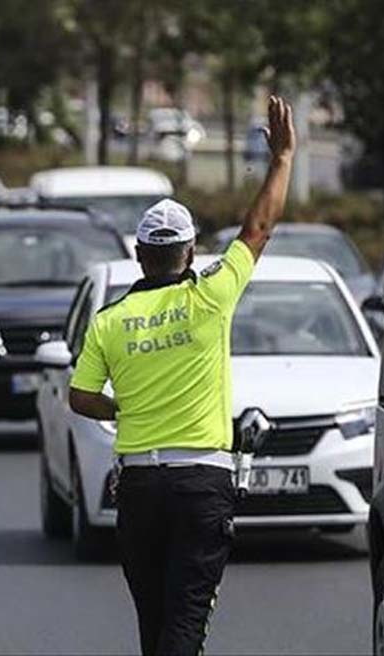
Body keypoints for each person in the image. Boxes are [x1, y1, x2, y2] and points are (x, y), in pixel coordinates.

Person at [68, 96, 295, 656]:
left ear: (141, 255)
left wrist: (124, 409)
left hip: (140, 489)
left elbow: (79, 396)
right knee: (185, 623)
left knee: (155, 624)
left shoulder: (110, 321)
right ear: (190, 252)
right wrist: (283, 159)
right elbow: (259, 227)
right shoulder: (211, 296)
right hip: (201, 485)